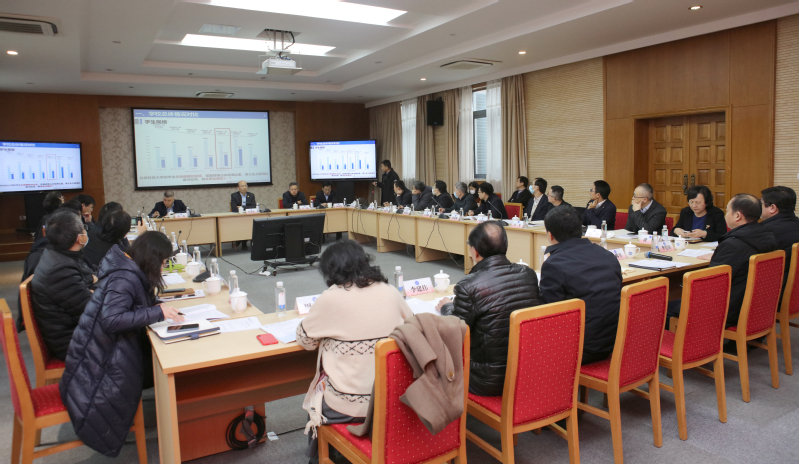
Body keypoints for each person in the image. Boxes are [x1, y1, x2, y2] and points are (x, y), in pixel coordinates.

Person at [60, 232, 184, 458]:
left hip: (104, 350)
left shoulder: (128, 268)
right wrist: (156, 312)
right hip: (103, 364)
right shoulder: (124, 278)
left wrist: (157, 305)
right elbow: (112, 320)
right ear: (152, 259)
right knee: (171, 363)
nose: (163, 267)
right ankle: (180, 428)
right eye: (163, 262)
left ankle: (180, 420)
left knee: (170, 355)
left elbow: (135, 303)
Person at [296, 240, 413, 457]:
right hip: (390, 399)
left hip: (348, 407)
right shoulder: (390, 290)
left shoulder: (332, 297)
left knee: (316, 400)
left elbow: (305, 341)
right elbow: (411, 324)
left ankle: (322, 456)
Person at [437, 221, 541, 395]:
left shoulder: (468, 285)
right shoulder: (528, 274)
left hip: (487, 380)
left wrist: (447, 307)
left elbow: (455, 331)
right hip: (527, 371)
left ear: (475, 251)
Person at [666, 194, 777, 328]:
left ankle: (684, 340)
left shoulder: (733, 245)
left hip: (728, 309)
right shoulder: (766, 236)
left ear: (737, 216)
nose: (725, 215)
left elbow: (711, 285)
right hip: (755, 306)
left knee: (662, 309)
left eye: (727, 211)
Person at [540, 205, 623, 364]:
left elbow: (548, 314)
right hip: (615, 341)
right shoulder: (608, 255)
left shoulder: (554, 264)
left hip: (581, 349)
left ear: (550, 235)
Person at [30, 210, 96, 361]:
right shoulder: (60, 270)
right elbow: (92, 309)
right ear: (79, 238)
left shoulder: (58, 253)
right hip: (73, 342)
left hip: (75, 329)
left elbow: (88, 281)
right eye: (83, 229)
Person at [760, 186, 799, 305]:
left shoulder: (766, 232)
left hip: (776, 293)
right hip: (795, 290)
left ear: (772, 208)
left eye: (761, 204)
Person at [230, 180, 256, 250]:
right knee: (242, 224)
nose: (244, 187)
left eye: (245, 186)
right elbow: (234, 208)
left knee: (250, 224)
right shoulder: (234, 195)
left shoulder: (251, 195)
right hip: (238, 217)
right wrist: (247, 207)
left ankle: (242, 241)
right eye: (242, 186)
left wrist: (241, 207)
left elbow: (253, 206)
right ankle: (243, 241)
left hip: (249, 216)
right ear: (238, 188)